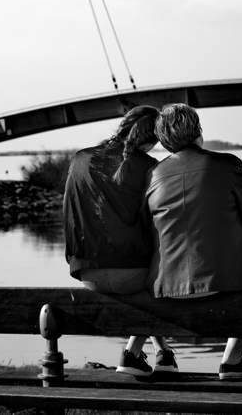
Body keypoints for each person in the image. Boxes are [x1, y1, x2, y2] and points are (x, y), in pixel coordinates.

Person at [145, 103, 242, 380]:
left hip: (168, 287)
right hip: (224, 282)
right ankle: (231, 360)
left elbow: (149, 230)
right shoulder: (227, 165)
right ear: (198, 130)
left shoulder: (153, 175)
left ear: (163, 139)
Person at [62, 105, 177, 376]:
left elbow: (69, 217)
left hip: (88, 273)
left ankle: (164, 353)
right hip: (133, 275)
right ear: (153, 140)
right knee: (161, 281)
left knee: (148, 286)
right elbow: (160, 227)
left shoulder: (80, 160)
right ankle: (132, 354)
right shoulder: (151, 168)